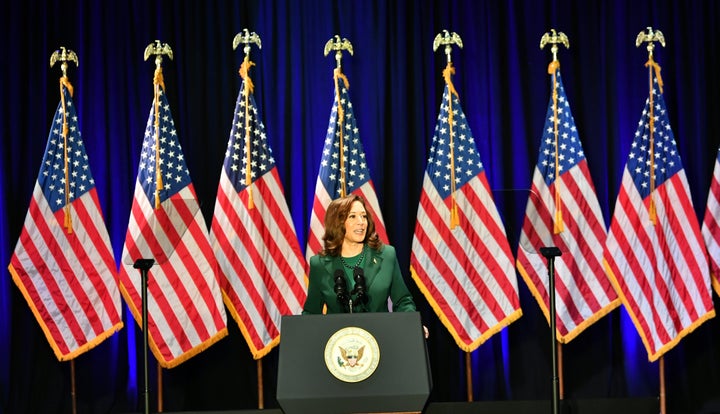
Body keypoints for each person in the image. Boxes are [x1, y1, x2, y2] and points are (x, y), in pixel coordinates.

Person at [302, 194, 418, 314]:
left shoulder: (386, 255)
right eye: (352, 216)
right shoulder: (319, 264)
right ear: (337, 223)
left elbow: (403, 301)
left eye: (364, 216)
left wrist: (413, 325)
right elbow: (311, 312)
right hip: (339, 333)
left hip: (379, 332)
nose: (361, 222)